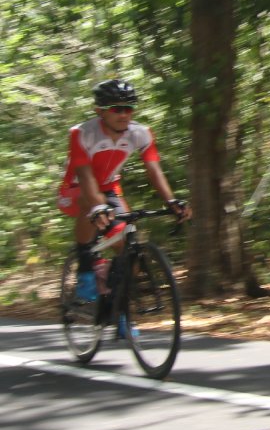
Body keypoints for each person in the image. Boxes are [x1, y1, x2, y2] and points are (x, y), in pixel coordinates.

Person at [57, 79, 191, 302]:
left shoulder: (141, 133)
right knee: (89, 201)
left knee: (128, 248)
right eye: (117, 109)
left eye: (128, 108)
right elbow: (84, 174)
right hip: (75, 188)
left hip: (109, 188)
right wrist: (98, 205)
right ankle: (84, 267)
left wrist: (171, 201)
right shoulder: (82, 133)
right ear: (100, 111)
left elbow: (154, 170)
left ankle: (117, 305)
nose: (124, 115)